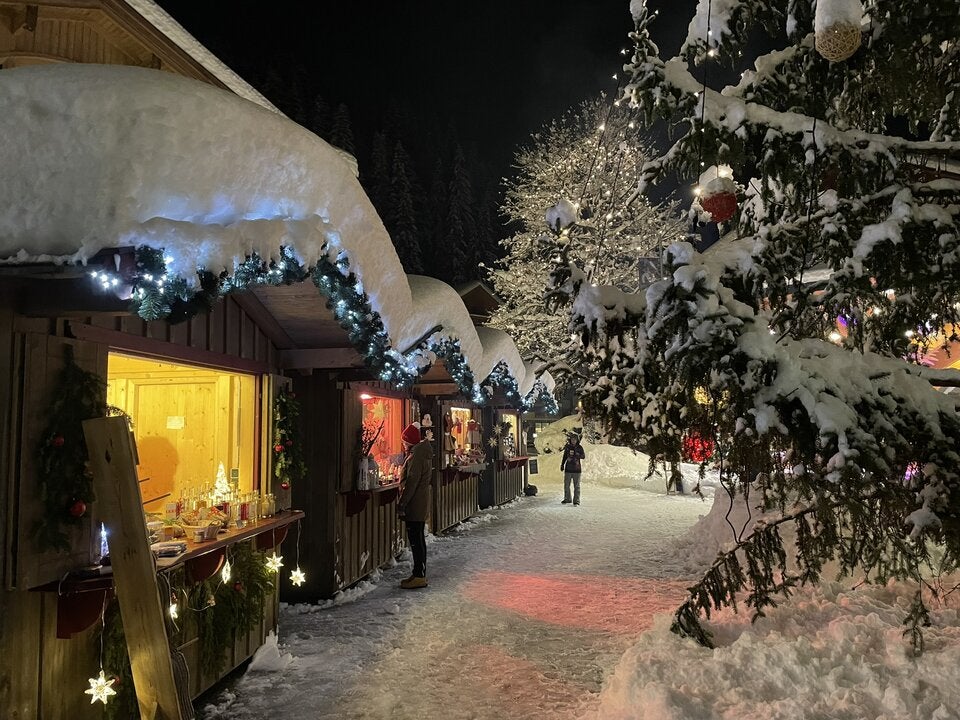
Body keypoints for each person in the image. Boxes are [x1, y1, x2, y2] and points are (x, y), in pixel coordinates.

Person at [398, 422, 433, 588]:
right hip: (420, 500)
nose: (403, 444)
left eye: (404, 442)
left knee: (416, 539)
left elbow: (411, 482)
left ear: (409, 442)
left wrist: (402, 503)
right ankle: (419, 573)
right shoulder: (421, 453)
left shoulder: (416, 456)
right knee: (418, 539)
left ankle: (419, 575)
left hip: (415, 502)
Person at [560, 433, 585, 506]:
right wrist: (562, 465)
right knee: (566, 485)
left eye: (574, 439)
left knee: (576, 486)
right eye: (572, 439)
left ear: (577, 440)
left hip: (577, 469)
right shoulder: (568, 447)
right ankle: (567, 499)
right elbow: (564, 456)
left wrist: (577, 455)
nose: (573, 441)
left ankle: (576, 500)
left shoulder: (579, 447)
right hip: (568, 469)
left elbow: (583, 456)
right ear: (570, 440)